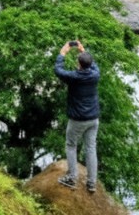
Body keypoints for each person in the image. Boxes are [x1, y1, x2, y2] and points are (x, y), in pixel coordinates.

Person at [54, 40, 100, 193]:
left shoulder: (74, 77)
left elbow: (58, 70)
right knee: (91, 148)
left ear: (78, 64)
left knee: (71, 145)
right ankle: (92, 183)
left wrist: (63, 52)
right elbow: (91, 63)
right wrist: (82, 50)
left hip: (78, 120)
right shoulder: (95, 74)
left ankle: (72, 178)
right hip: (93, 119)